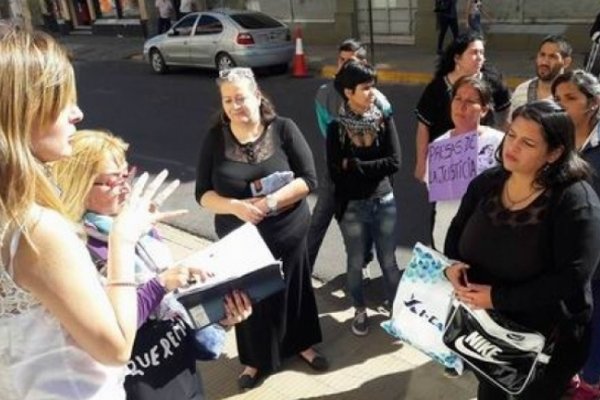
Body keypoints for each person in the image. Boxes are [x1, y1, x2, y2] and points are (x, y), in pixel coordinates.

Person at [0, 27, 176, 399]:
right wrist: (122, 238)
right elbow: (114, 348)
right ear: (23, 113)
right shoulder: (36, 229)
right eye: (64, 102)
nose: (77, 114)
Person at [53, 129, 253, 400]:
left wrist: (221, 316)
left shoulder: (140, 227)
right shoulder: (73, 247)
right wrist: (160, 283)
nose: (125, 186)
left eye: (127, 174)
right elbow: (108, 333)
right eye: (114, 180)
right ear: (79, 184)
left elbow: (176, 305)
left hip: (181, 370)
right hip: (136, 385)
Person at [444, 100, 600, 399]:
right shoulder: (487, 183)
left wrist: (498, 297)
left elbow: (571, 278)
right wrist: (452, 266)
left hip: (545, 347)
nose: (511, 146)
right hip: (485, 333)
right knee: (491, 392)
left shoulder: (575, 202)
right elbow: (456, 233)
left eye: (527, 142)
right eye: (511, 134)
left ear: (554, 153)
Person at [195, 67, 326, 390]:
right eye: (228, 100)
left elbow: (308, 180)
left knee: (294, 287)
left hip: (287, 230)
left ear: (257, 96)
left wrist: (270, 203)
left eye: (240, 98)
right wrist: (235, 207)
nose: (235, 106)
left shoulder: (284, 129)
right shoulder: (214, 139)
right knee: (249, 297)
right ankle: (255, 360)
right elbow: (203, 194)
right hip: (240, 238)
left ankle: (302, 344)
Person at [327, 60, 402, 337]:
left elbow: (395, 162)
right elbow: (336, 171)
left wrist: (356, 165)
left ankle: (397, 312)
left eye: (373, 86)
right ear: (349, 92)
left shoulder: (383, 120)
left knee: (389, 261)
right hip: (353, 207)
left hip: (384, 202)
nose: (372, 92)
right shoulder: (336, 129)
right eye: (366, 87)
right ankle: (359, 310)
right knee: (356, 262)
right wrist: (365, 166)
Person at [310, 38, 392, 275]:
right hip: (337, 170)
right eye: (341, 60)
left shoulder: (377, 100)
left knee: (362, 226)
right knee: (319, 220)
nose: (344, 67)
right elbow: (327, 134)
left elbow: (387, 141)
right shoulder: (325, 94)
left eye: (351, 62)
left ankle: (362, 265)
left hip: (366, 174)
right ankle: (302, 274)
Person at [551, 70, 600, 400]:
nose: (561, 106)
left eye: (570, 99)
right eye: (557, 100)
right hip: (564, 254)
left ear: (593, 103)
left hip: (596, 258)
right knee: (568, 318)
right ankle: (573, 373)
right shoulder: (556, 144)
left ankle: (593, 384)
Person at [428, 75, 504, 252]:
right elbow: (434, 192)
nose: (462, 106)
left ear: (484, 110)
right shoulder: (440, 144)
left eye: (470, 101)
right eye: (458, 98)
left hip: (484, 239)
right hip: (444, 237)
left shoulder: (499, 143)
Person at [510, 35, 573, 116]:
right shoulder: (521, 90)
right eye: (542, 55)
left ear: (566, 62)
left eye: (552, 57)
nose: (544, 62)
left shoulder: (573, 95)